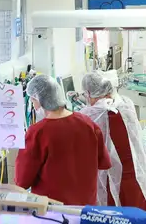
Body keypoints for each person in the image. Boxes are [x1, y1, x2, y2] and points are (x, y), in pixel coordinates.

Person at [15, 74, 112, 206]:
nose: (34, 107)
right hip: (85, 207)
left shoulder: (37, 133)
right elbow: (104, 163)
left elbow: (22, 181)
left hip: (54, 211)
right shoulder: (87, 123)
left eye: (33, 102)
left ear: (40, 100)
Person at [79, 71, 146, 214]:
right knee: (136, 217)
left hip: (109, 179)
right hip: (134, 174)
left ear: (89, 93)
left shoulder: (91, 116)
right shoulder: (125, 104)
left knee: (114, 219)